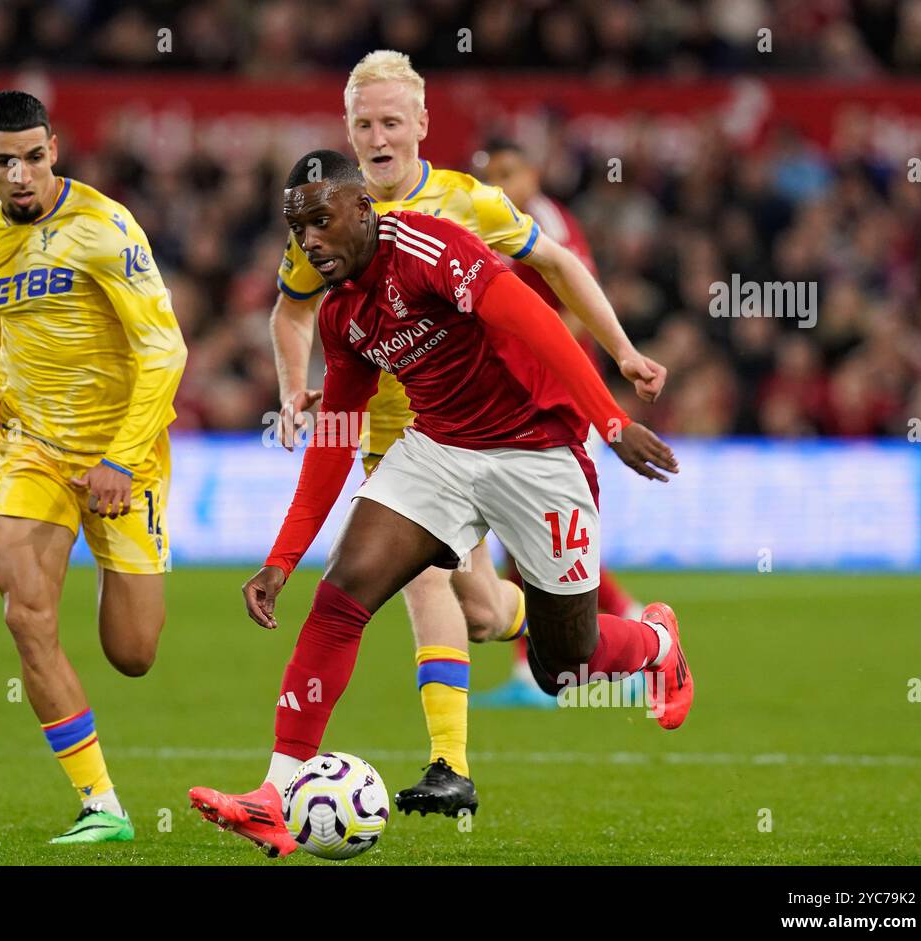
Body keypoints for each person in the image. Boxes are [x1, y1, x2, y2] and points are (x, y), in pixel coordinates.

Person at [189, 151, 690, 858]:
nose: (311, 244)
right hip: (440, 450)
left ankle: (657, 644)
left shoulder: (429, 245)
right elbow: (334, 441)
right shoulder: (342, 318)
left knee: (561, 663)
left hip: (538, 449)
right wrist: (280, 561)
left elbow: (533, 324)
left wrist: (609, 421)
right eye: (298, 231)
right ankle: (275, 793)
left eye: (322, 222)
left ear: (362, 207)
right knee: (341, 594)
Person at [267, 50, 668, 816]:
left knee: (493, 619)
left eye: (391, 120)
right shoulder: (323, 222)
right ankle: (425, 767)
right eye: (363, 123)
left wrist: (620, 355)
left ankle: (477, 739)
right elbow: (292, 313)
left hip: (509, 431)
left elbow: (553, 269)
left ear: (420, 124)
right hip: (403, 436)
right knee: (427, 595)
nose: (378, 135)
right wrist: (294, 388)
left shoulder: (466, 204)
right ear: (348, 133)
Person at [0, 90, 187, 844]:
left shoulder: (105, 229)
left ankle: (111, 559)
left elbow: (166, 352)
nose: (21, 175)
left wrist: (121, 459)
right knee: (25, 611)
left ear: (54, 151)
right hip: (31, 448)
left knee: (133, 654)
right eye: (4, 161)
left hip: (121, 457)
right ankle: (101, 804)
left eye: (34, 157)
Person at [470, 137, 646, 710]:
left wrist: (528, 362)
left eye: (508, 172)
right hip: (517, 403)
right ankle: (540, 666)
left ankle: (630, 625)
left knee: (544, 539)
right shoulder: (488, 220)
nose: (498, 184)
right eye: (488, 174)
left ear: (535, 173)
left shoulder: (543, 221)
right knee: (525, 541)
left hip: (562, 401)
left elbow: (575, 304)